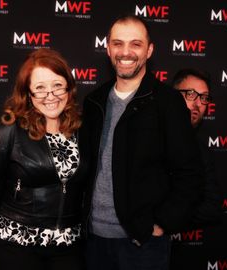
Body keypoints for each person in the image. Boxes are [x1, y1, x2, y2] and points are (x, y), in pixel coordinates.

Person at [80, 15, 205, 270]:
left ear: (149, 51)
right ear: (108, 48)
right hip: (93, 240)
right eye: (118, 43)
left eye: (135, 44)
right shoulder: (94, 101)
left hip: (141, 244)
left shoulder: (167, 103)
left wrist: (160, 225)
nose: (126, 52)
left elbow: (190, 173)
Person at [0, 48, 88, 270]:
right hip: (16, 247)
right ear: (29, 94)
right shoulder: (6, 129)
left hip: (68, 247)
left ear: (69, 88)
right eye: (40, 88)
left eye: (57, 86)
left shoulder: (81, 129)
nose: (50, 96)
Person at [172, 68, 222, 227]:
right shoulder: (146, 137)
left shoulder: (201, 151)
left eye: (204, 97)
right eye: (191, 94)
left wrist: (164, 219)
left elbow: (211, 208)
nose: (198, 104)